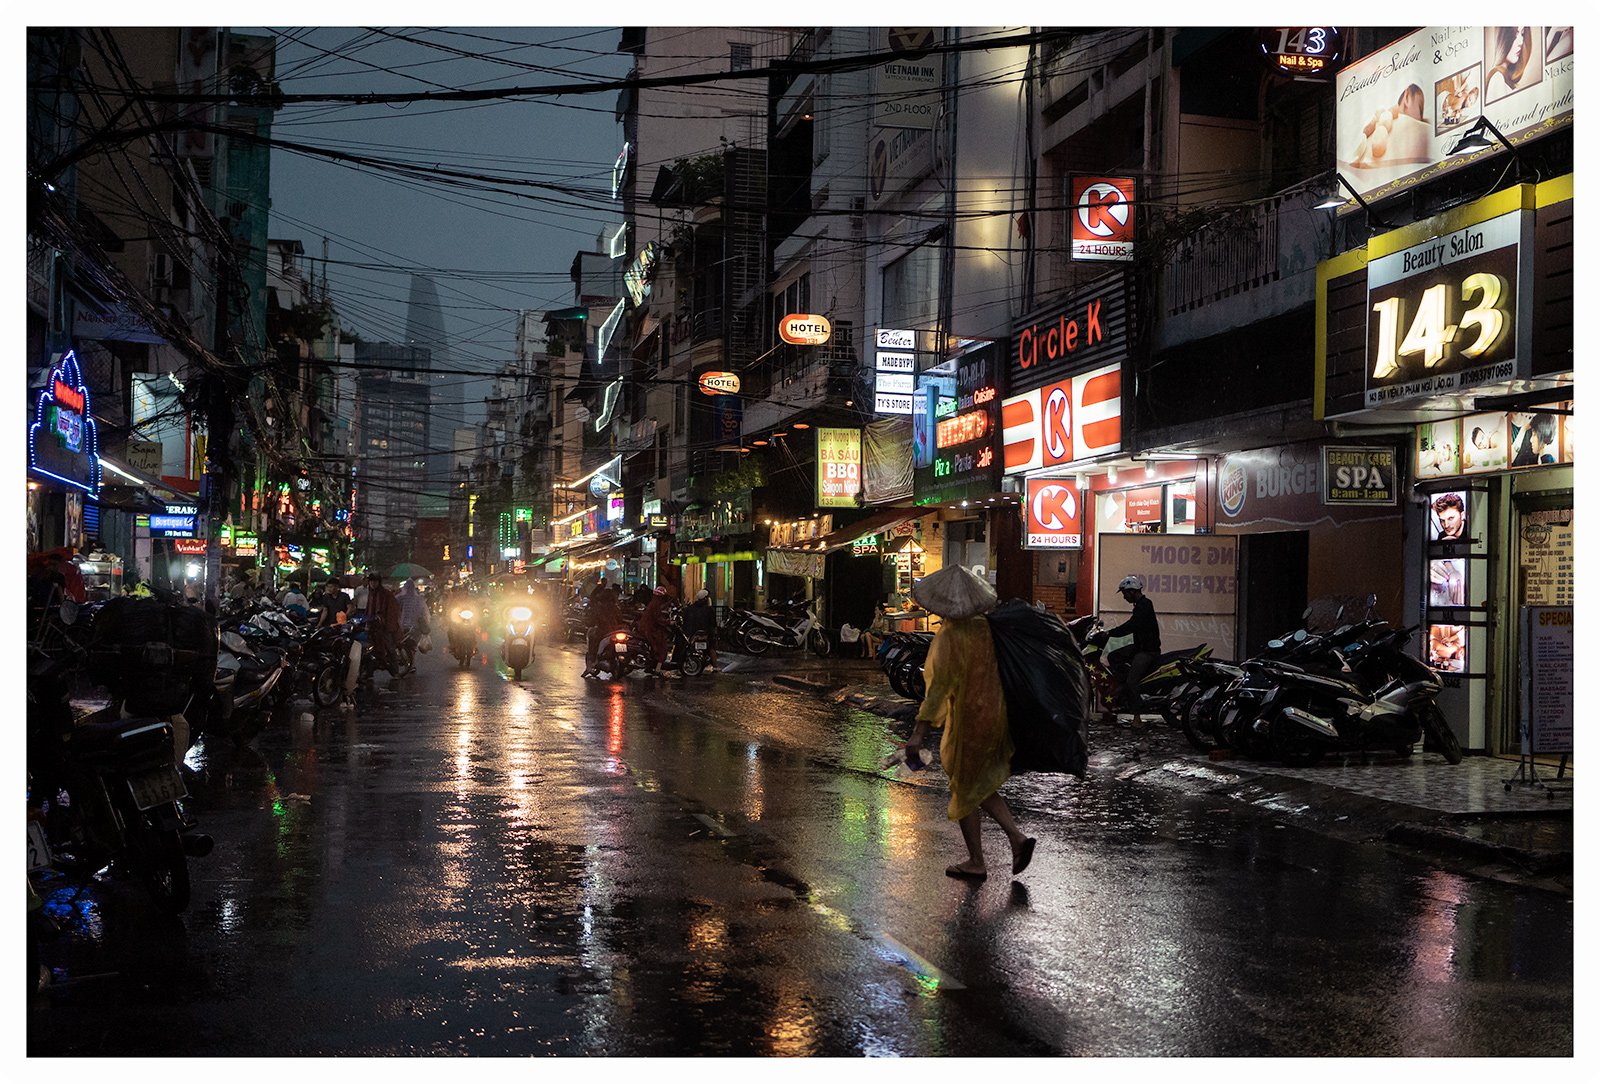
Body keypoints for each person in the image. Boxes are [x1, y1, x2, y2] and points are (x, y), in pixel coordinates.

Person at [901, 564, 1035, 882]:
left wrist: (918, 734)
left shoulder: (950, 636)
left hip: (970, 721)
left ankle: (980, 859)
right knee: (979, 785)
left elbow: (937, 690)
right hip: (996, 715)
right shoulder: (989, 628)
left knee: (965, 787)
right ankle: (1013, 841)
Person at [1106, 575, 1161, 723]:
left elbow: (1132, 625)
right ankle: (1123, 693)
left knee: (1132, 680)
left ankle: (1137, 717)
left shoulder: (1145, 605)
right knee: (1113, 656)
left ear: (1132, 591)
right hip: (1139, 648)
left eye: (1125, 593)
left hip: (1148, 651)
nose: (1124, 597)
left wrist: (1110, 633)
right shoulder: (1139, 605)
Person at [583, 579, 623, 676]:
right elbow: (620, 618)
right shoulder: (614, 607)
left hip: (603, 631)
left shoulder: (599, 607)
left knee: (593, 645)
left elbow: (593, 619)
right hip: (613, 630)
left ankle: (592, 662)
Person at [364, 573, 402, 672]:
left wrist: (385, 622)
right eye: (371, 581)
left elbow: (392, 610)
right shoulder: (371, 593)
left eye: (375, 581)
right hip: (372, 625)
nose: (373, 584)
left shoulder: (386, 594)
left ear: (379, 582)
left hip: (384, 626)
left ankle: (395, 671)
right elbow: (369, 609)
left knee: (390, 648)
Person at [680, 588, 718, 671]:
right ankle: (715, 667)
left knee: (686, 645)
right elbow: (713, 623)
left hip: (692, 633)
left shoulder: (689, 609)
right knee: (712, 647)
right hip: (706, 633)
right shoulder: (709, 610)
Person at [640, 586, 672, 675]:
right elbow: (657, 618)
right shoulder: (656, 605)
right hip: (652, 629)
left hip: (646, 628)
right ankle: (658, 669)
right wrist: (668, 622)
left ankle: (650, 666)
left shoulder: (653, 603)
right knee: (661, 648)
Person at [397, 579, 429, 644]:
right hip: (415, 627)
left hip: (402, 626)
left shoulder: (399, 598)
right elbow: (425, 613)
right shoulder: (418, 599)